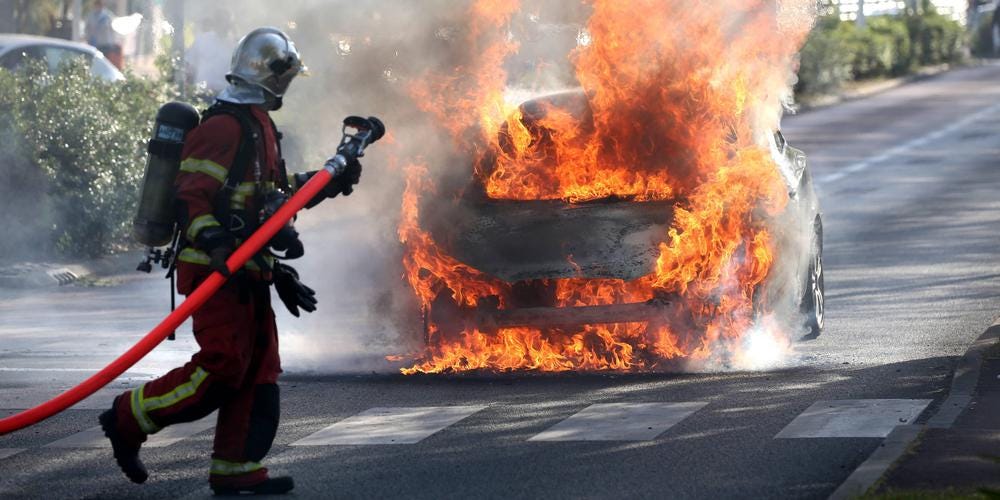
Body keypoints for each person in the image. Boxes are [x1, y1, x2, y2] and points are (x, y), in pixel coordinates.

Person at [99, 27, 362, 495]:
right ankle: (126, 418)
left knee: (258, 367)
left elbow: (271, 199)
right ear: (270, 77)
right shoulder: (224, 126)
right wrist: (218, 245)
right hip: (214, 268)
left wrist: (329, 181)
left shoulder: (259, 124)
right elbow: (190, 196)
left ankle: (235, 466)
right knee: (223, 365)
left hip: (249, 266)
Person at [186, 10, 236, 95]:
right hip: (201, 92)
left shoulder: (236, 46)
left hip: (224, 94)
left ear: (230, 25)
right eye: (219, 20)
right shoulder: (202, 40)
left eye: (226, 22)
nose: (223, 25)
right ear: (215, 23)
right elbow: (189, 65)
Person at [85, 0, 122, 68]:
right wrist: (88, 39)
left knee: (106, 62)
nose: (97, 7)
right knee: (96, 63)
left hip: (106, 44)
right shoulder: (91, 15)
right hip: (95, 44)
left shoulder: (108, 16)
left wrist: (114, 42)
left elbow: (113, 30)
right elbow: (87, 29)